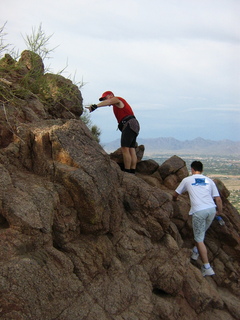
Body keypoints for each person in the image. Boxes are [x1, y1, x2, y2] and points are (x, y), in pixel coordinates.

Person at [172, 161, 223, 277]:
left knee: (199, 238)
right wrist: (219, 211)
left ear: (192, 169)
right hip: (211, 210)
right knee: (202, 232)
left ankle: (207, 267)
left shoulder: (187, 180)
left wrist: (174, 200)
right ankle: (195, 252)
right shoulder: (209, 181)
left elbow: (175, 194)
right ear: (202, 170)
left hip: (199, 211)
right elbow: (218, 199)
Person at [86, 91, 140, 174]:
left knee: (125, 148)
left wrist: (95, 106)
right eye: (103, 99)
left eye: (105, 98)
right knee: (131, 149)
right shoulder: (116, 105)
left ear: (111, 95)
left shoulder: (117, 99)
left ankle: (127, 172)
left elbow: (110, 101)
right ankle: (132, 171)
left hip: (129, 124)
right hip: (133, 124)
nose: (105, 100)